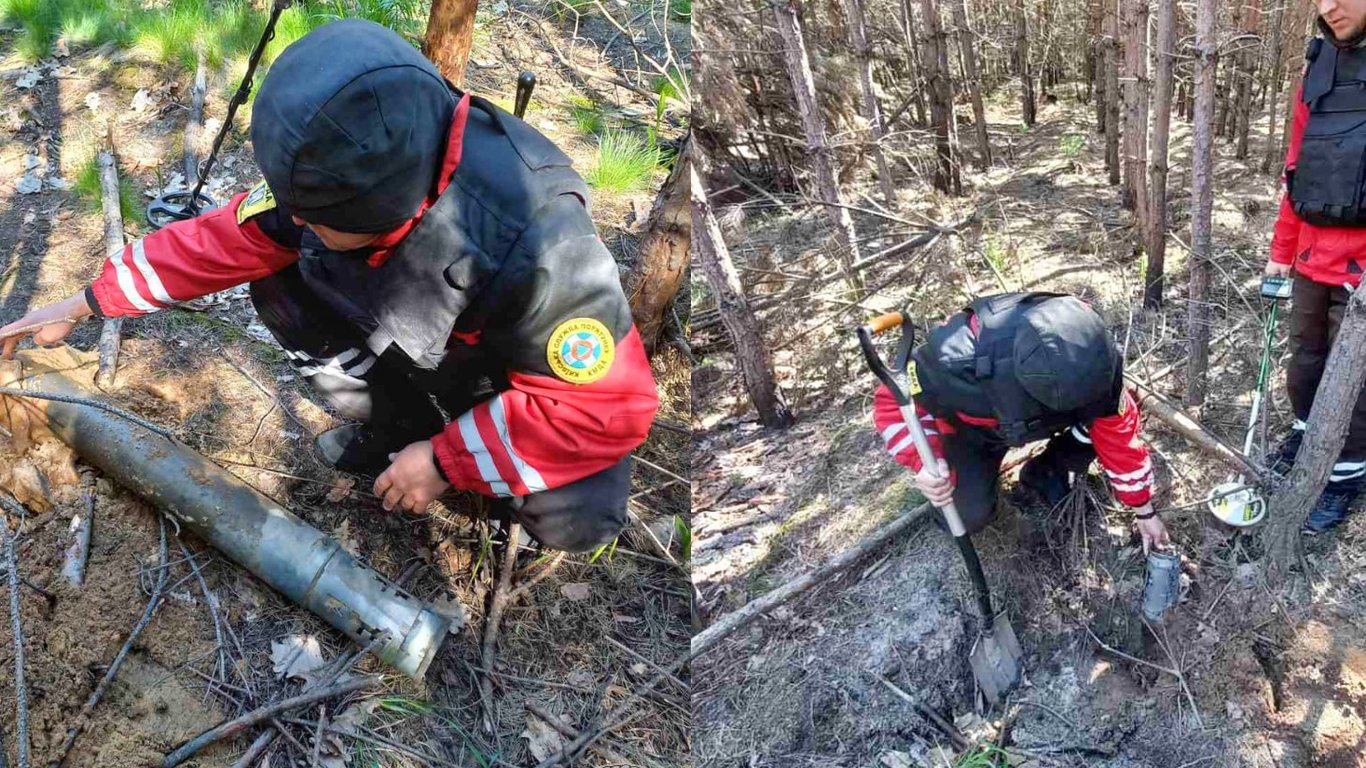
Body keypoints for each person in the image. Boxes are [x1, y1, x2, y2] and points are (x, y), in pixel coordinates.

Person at [0, 20, 659, 553]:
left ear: (387, 213)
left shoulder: (543, 248)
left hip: (507, 377)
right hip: (414, 337)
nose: (296, 220)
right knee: (280, 284)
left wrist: (446, 461)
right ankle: (394, 425)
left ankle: (464, 475)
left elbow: (608, 409)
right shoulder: (339, 162)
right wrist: (86, 302)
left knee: (581, 516)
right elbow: (226, 238)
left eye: (316, 218)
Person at [872, 292, 1169, 552]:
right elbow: (891, 402)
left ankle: (1048, 470)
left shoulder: (1092, 351)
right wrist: (925, 462)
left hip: (1035, 417)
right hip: (974, 432)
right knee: (967, 517)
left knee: (1114, 408)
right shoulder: (955, 362)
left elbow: (1118, 434)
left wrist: (1143, 508)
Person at [1265, 0, 1366, 534]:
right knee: (1305, 360)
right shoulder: (1319, 63)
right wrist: (1282, 251)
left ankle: (1347, 476)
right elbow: (1297, 169)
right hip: (1311, 254)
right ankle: (1308, 432)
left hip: (1362, 270)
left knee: (1356, 381)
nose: (1329, 6)